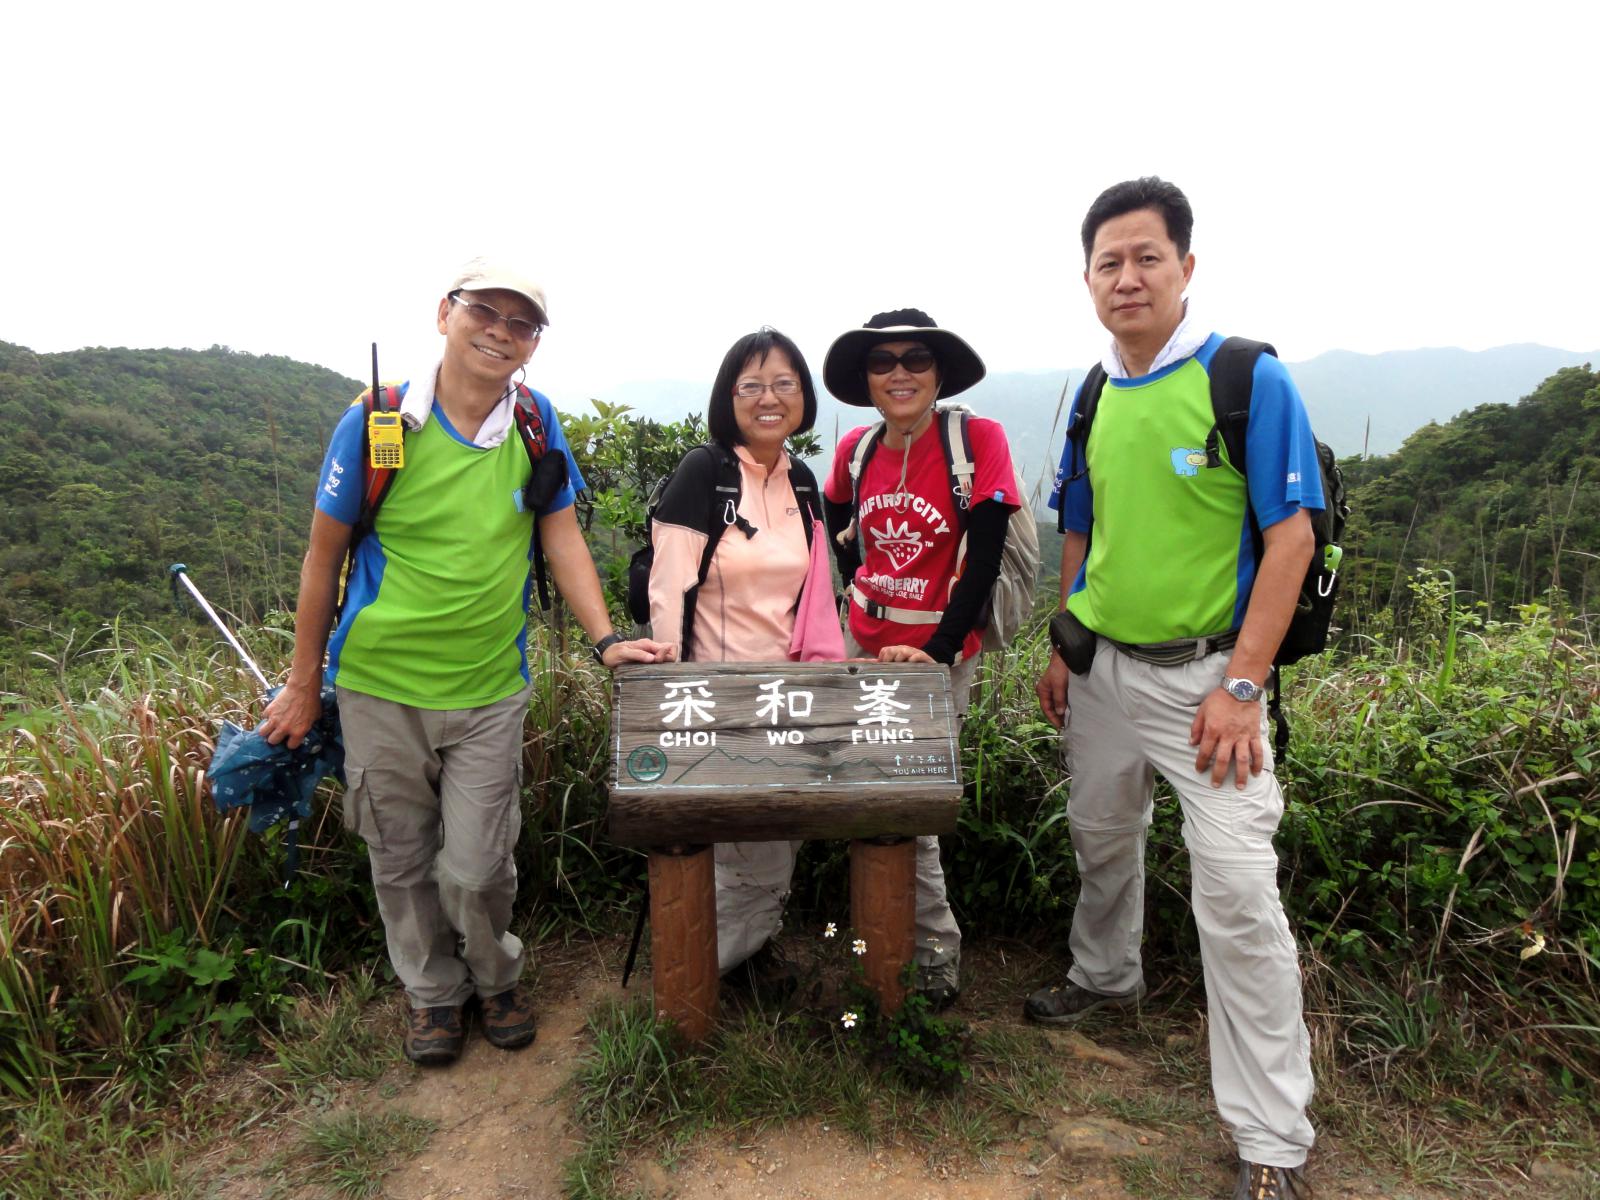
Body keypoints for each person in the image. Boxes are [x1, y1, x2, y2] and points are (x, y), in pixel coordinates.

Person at [260, 257, 673, 1067]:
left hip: (489, 688)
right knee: (399, 858)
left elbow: (561, 535)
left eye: (522, 324)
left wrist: (604, 639)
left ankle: (494, 976)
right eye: (485, 311)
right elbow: (322, 555)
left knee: (479, 865)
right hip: (378, 685)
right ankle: (432, 995)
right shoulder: (378, 421)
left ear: (534, 344)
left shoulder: (534, 423)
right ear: (445, 313)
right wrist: (305, 683)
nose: (501, 331)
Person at [1032, 178, 1322, 1200]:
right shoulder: (1095, 392)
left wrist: (1243, 685)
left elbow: (1292, 539)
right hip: (1102, 669)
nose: (1127, 277)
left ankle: (1271, 1139)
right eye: (1107, 262)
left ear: (1185, 267)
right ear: (1087, 280)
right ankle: (1106, 976)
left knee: (1237, 896)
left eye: (1146, 257)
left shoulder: (1244, 379)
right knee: (1100, 833)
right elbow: (1079, 525)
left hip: (1210, 684)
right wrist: (1064, 642)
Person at [820, 309, 1022, 1009]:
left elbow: (985, 559)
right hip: (863, 647)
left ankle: (932, 954)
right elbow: (836, 521)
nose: (899, 373)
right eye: (882, 362)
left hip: (936, 658)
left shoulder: (975, 441)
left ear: (938, 373)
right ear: (866, 379)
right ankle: (879, 935)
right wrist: (859, 585)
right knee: (860, 792)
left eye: (915, 359)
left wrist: (935, 653)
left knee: (911, 800)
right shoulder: (855, 450)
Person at [647, 327, 828, 993]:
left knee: (775, 838)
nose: (768, 397)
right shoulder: (707, 473)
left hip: (789, 695)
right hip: (717, 694)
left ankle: (738, 957)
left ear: (803, 398)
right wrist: (670, 695)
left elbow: (813, 594)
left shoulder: (801, 481)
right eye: (751, 385)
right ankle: (695, 975)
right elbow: (668, 588)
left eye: (784, 384)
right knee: (744, 848)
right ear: (728, 398)